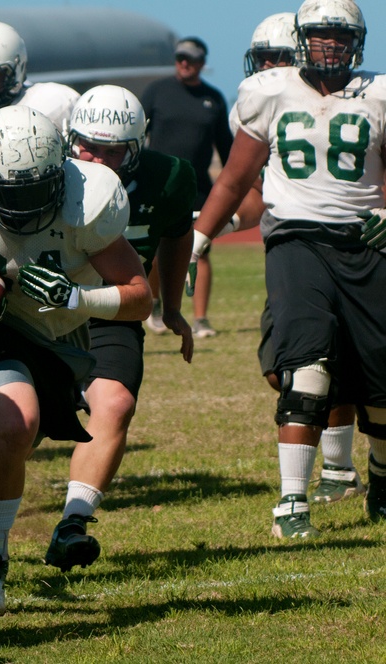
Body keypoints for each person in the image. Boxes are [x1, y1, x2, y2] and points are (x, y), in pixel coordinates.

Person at [0, 104, 151, 619]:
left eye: (35, 191)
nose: (22, 205)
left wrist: (77, 299)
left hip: (60, 337)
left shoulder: (90, 199)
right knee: (19, 422)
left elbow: (138, 296)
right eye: (9, 194)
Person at [193, 0, 386, 539]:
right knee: (305, 367)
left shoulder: (379, 92)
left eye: (340, 36)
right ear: (303, 39)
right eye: (320, 35)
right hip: (296, 241)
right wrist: (198, 238)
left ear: (358, 42)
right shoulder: (270, 92)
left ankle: (379, 476)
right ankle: (292, 501)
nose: (330, 45)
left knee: (380, 374)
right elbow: (234, 178)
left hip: (366, 244)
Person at [42, 85, 195, 572]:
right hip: (37, 310)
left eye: (113, 150)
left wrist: (171, 308)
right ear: (70, 140)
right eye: (89, 146)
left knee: (115, 403)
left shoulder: (167, 178)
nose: (99, 159)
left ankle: (73, 523)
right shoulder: (48, 173)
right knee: (0, 429)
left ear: (138, 146)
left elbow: (176, 234)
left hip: (110, 307)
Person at [141, 37, 234, 339]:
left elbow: (227, 147)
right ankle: (155, 307)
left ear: (202, 62)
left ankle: (201, 319)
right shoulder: (157, 91)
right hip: (159, 185)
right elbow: (136, 134)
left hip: (198, 189)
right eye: (181, 57)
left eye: (191, 58)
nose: (185, 63)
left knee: (200, 250)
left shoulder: (214, 98)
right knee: (155, 248)